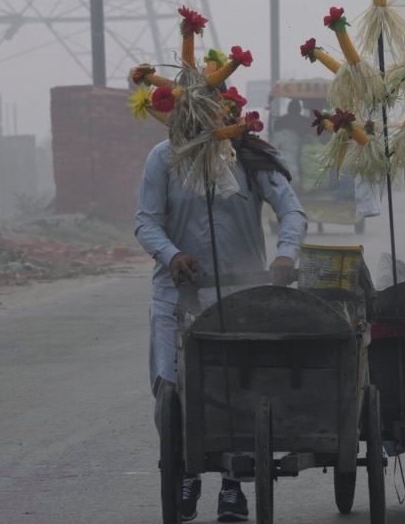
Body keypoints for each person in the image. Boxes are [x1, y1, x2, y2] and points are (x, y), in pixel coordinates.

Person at [136, 117, 307, 522]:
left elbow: (292, 211)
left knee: (242, 389)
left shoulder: (253, 158)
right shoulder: (162, 159)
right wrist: (172, 254)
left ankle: (234, 486)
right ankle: (185, 471)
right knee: (170, 390)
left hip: (241, 293)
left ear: (226, 117)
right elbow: (146, 221)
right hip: (177, 294)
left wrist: (286, 254)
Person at [268, 99, 310, 189]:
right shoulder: (306, 121)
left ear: (288, 108)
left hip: (287, 152)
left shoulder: (280, 121)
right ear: (299, 109)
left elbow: (275, 139)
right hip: (303, 151)